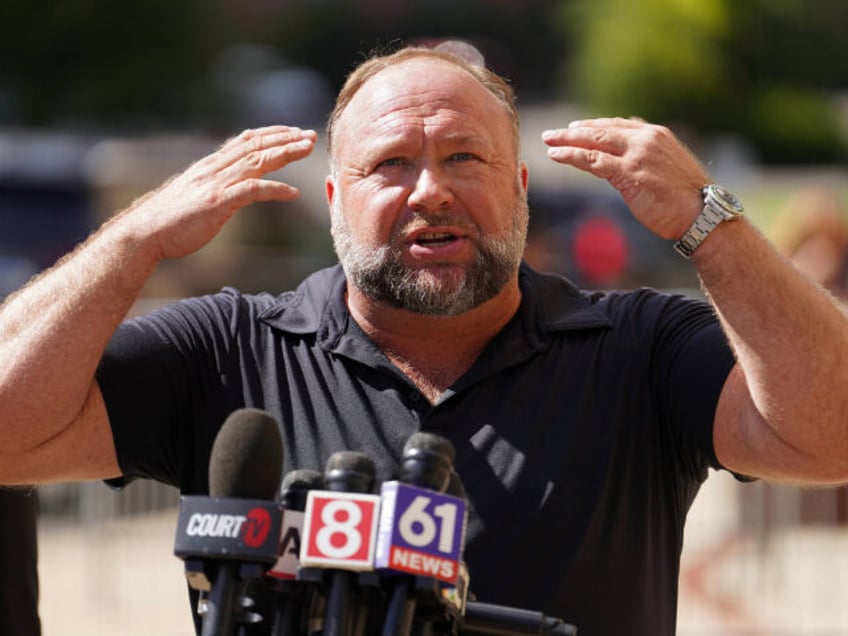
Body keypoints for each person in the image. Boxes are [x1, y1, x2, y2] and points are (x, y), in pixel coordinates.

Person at [1, 43, 848, 635]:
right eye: (391, 165)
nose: (430, 192)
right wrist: (131, 240)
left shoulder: (638, 347)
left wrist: (713, 224)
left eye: (465, 160)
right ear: (334, 198)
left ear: (520, 190)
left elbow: (831, 435)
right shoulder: (230, 347)